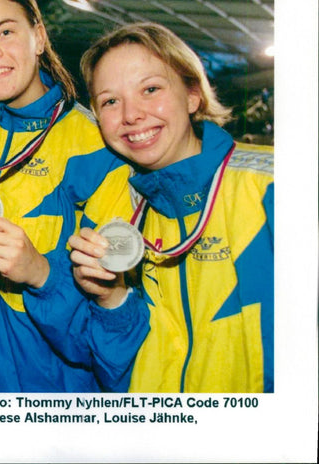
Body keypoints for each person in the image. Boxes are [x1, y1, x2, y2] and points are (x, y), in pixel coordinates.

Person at [0, 0, 150, 392]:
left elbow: (111, 333)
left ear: (39, 37)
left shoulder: (95, 145)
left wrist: (41, 273)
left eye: (5, 31)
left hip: (44, 395)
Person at [72, 22, 273, 392]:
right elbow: (118, 372)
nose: (131, 114)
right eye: (110, 101)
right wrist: (112, 299)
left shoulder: (271, 189)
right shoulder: (114, 210)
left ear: (193, 94)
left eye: (150, 89)